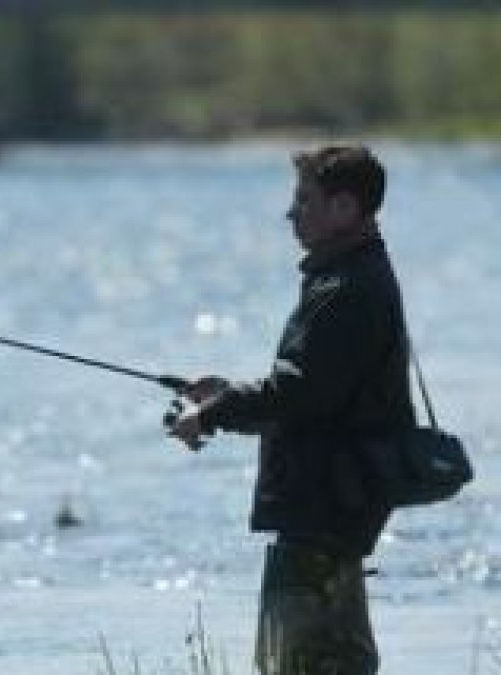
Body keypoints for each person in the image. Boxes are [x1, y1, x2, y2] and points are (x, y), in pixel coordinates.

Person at [167, 145, 415, 675]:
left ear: (345, 209)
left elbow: (296, 395)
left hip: (323, 512)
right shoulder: (352, 277)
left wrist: (210, 414)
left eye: (305, 200)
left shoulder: (346, 290)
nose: (291, 213)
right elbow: (310, 392)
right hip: (332, 510)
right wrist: (224, 392)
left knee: (300, 665)